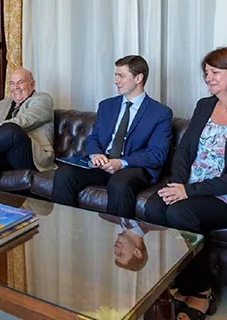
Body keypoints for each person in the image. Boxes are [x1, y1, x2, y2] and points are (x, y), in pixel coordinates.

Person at [143, 47, 227, 320]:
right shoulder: (204, 105)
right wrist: (178, 183)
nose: (208, 78)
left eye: (215, 72)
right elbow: (185, 150)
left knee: (180, 213)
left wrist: (188, 192)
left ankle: (202, 290)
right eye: (206, 72)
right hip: (190, 187)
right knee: (153, 206)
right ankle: (183, 282)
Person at [52, 55, 172, 218]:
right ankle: (64, 226)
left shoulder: (160, 113)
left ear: (138, 78)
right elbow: (93, 138)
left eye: (121, 76)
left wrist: (121, 163)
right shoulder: (107, 105)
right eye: (116, 75)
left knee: (119, 183)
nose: (116, 81)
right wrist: (96, 154)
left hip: (133, 167)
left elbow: (157, 155)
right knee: (64, 174)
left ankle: (118, 233)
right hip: (103, 163)